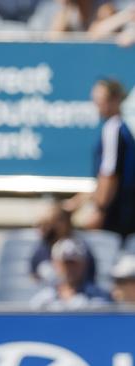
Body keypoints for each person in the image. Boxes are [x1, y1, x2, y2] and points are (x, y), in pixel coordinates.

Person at [64, 78, 135, 242]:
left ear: (116, 100)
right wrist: (76, 202)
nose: (97, 103)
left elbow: (109, 176)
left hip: (117, 219)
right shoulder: (121, 129)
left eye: (101, 98)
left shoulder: (113, 128)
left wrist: (100, 211)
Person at [30, 238, 111, 310]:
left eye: (74, 263)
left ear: (84, 264)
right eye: (65, 263)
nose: (70, 268)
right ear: (55, 264)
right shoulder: (42, 301)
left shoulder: (100, 299)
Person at [30, 202, 97, 284]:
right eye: (49, 222)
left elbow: (89, 275)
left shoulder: (79, 246)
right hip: (49, 292)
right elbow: (34, 273)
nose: (53, 225)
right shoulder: (43, 246)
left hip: (79, 292)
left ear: (67, 222)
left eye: (58, 220)